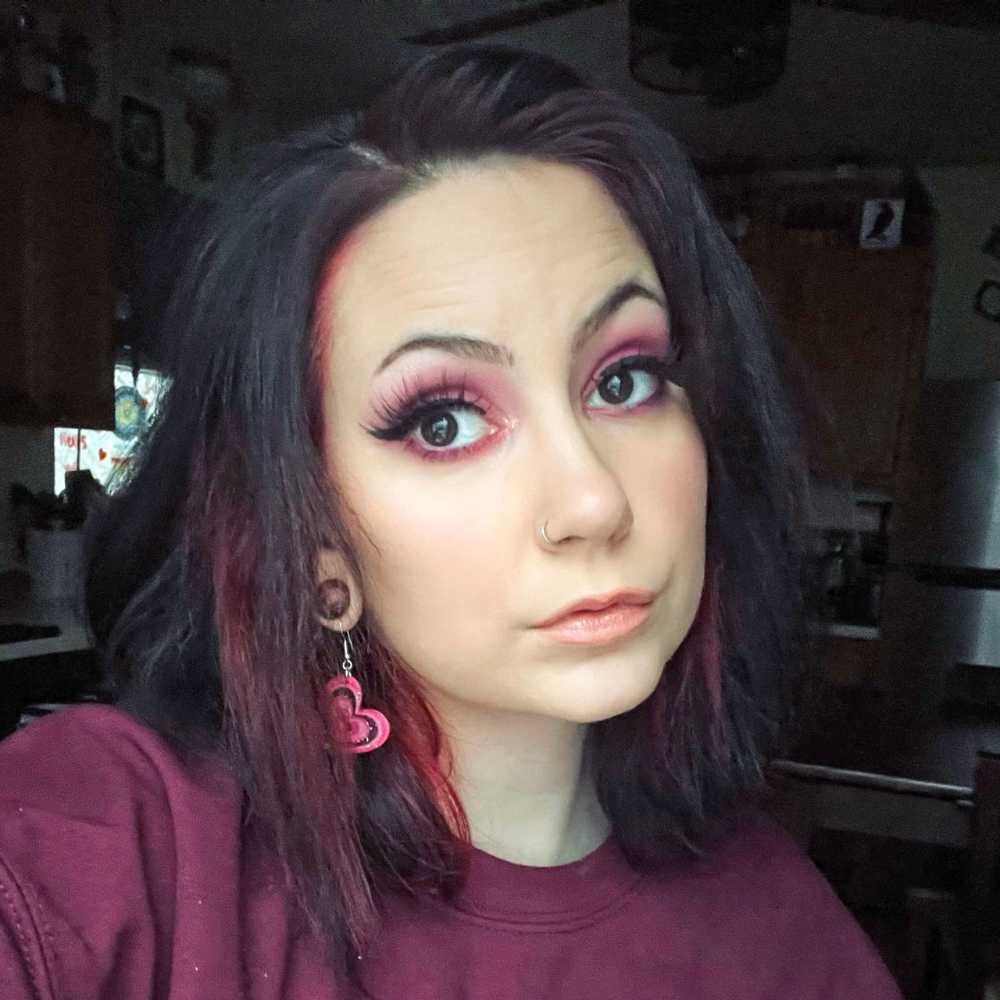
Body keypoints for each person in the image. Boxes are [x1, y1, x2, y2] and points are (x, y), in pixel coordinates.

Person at [0, 44, 901, 999]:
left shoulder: (792, 945)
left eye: (624, 379)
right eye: (444, 422)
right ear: (317, 545)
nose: (594, 502)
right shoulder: (115, 851)